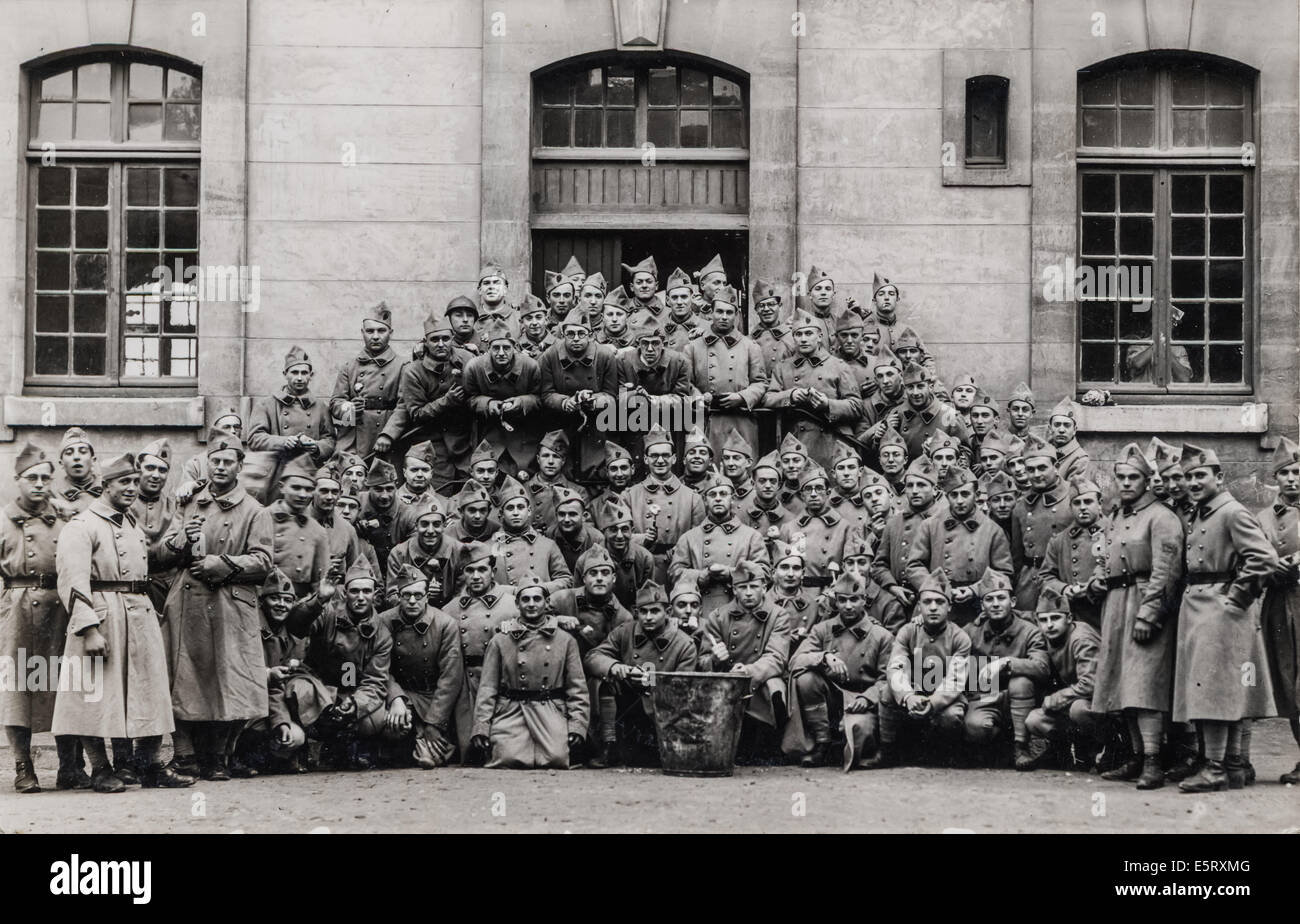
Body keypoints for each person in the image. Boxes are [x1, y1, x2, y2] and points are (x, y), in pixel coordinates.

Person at [52, 453, 194, 792]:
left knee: (150, 691)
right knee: (94, 695)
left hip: (139, 613)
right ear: (106, 485)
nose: (132, 487)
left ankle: (149, 765)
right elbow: (72, 580)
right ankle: (101, 769)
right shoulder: (82, 525)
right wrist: (88, 629)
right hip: (103, 615)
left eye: (134, 481)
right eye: (124, 482)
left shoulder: (129, 523)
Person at [158, 430, 275, 780]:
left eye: (228, 462)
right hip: (188, 603)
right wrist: (182, 540)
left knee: (229, 680)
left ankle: (218, 757)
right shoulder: (188, 502)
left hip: (229, 605)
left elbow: (264, 561)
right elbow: (163, 550)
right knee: (183, 678)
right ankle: (185, 756)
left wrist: (222, 564)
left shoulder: (255, 510)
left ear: (240, 467)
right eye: (215, 461)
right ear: (206, 464)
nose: (221, 467)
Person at [1172, 443, 1278, 794]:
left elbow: (1263, 558)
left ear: (1219, 477)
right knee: (1220, 689)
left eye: (1200, 475)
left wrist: (1236, 599)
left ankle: (1214, 768)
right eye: (1188, 476)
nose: (1193, 482)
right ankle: (1232, 766)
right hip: (1202, 608)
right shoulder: (1203, 512)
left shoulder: (1230, 512)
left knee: (1214, 691)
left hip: (1220, 609)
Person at [1089, 443, 1184, 790]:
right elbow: (1106, 556)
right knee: (1121, 682)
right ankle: (1134, 756)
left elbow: (1167, 570)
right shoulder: (1116, 516)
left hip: (1144, 601)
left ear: (1147, 481)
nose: (1127, 483)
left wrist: (1150, 613)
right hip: (1116, 602)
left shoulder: (1162, 517)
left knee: (1145, 684)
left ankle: (1154, 762)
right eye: (1122, 477)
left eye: (1134, 478)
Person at [2, 443, 85, 793]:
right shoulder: (3, 521)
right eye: (31, 478)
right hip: (18, 612)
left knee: (69, 684)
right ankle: (24, 766)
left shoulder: (66, 517)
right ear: (18, 480)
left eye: (45, 478)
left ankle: (71, 765)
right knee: (18, 687)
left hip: (61, 608)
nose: (39, 484)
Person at [470, 572, 590, 770]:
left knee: (556, 758)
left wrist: (577, 725)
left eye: (537, 598)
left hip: (550, 709)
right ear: (517, 604)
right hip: (512, 711)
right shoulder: (500, 640)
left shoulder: (565, 640)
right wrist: (482, 727)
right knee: (507, 758)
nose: (531, 604)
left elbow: (577, 688)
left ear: (547, 602)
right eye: (525, 599)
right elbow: (487, 689)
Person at [281, 562, 393, 769]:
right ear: (345, 593)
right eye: (355, 591)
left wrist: (356, 703)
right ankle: (302, 747)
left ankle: (345, 746)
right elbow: (296, 626)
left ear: (375, 595)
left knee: (375, 719)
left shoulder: (382, 634)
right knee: (299, 691)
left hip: (350, 689)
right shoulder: (328, 613)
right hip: (317, 683)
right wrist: (320, 598)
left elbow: (375, 681)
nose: (360, 597)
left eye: (366, 591)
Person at [782, 570, 894, 770]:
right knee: (805, 678)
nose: (848, 606)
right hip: (830, 696)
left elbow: (888, 679)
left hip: (861, 699)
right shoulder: (823, 629)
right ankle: (822, 742)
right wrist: (823, 656)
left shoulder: (881, 636)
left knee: (859, 734)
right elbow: (795, 661)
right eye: (842, 600)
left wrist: (867, 698)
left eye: (854, 600)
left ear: (864, 600)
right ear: (836, 602)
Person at [586, 580, 697, 767]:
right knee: (601, 680)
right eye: (643, 612)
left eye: (655, 611)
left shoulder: (684, 644)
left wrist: (651, 681)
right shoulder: (624, 632)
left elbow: (683, 689)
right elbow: (593, 656)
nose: (648, 617)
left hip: (662, 710)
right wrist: (616, 667)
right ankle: (609, 744)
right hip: (627, 706)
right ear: (636, 613)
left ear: (668, 612)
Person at [873, 568, 970, 768]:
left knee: (952, 716)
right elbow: (896, 668)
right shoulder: (908, 631)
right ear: (919, 606)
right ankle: (888, 751)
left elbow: (955, 680)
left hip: (944, 696)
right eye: (927, 602)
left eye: (940, 602)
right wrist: (908, 696)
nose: (933, 607)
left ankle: (943, 752)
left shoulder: (960, 638)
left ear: (949, 606)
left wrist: (932, 702)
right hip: (914, 692)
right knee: (888, 692)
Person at [697, 561, 792, 763]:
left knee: (775, 687)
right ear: (734, 589)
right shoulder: (718, 616)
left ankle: (770, 746)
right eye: (742, 587)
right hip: (727, 680)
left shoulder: (779, 616)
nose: (748, 593)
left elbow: (776, 657)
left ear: (764, 587)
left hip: (760, 678)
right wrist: (715, 659)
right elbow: (702, 661)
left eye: (754, 586)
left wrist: (748, 671)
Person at [961, 568, 1050, 767]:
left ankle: (1021, 747)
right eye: (989, 600)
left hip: (1021, 701)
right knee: (975, 727)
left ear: (1013, 602)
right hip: (985, 697)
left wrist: (1007, 663)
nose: (995, 604)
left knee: (1021, 681)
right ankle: (995, 749)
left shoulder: (1030, 632)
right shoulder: (971, 631)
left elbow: (1042, 667)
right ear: (982, 606)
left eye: (1001, 598)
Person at [904, 466, 1012, 627]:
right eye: (954, 495)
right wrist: (938, 588)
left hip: (977, 607)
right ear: (947, 496)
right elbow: (914, 566)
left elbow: (1004, 573)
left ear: (976, 495)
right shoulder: (930, 525)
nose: (960, 501)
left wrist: (974, 590)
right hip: (938, 603)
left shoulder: (993, 529)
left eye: (965, 494)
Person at [380, 565, 464, 769]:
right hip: (402, 692)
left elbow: (450, 677)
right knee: (394, 725)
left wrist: (434, 723)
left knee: (436, 747)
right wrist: (396, 698)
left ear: (427, 596)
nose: (411, 601)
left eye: (418, 595)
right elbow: (380, 667)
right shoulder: (384, 621)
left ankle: (424, 745)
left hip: (433, 696)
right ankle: (413, 746)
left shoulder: (445, 624)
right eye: (406, 595)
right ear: (398, 596)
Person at [762, 308, 863, 471]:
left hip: (830, 443)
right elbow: (767, 398)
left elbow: (856, 406)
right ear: (793, 337)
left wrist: (828, 404)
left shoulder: (838, 365)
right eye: (799, 334)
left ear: (819, 336)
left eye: (809, 333)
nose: (803, 339)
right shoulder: (783, 367)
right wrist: (791, 395)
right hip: (795, 446)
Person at [446, 541, 519, 760]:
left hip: (501, 684)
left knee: (502, 751)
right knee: (470, 752)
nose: (476, 576)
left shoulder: (513, 605)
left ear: (492, 571)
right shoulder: (450, 609)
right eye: (470, 570)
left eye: (482, 569)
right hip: (465, 687)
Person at [1023, 586, 1103, 771]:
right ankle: (1065, 755)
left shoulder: (1081, 639)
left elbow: (1090, 684)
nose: (1049, 625)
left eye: (1055, 618)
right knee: (1034, 720)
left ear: (1069, 618)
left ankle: (1105, 749)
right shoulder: (1050, 635)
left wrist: (1055, 699)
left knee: (1079, 710)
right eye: (1043, 620)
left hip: (1103, 704)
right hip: (1076, 697)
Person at [1258, 437, 1300, 783]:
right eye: (1285, 473)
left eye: (1298, 472)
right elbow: (1253, 556)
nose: (1292, 479)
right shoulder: (1262, 518)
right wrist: (1272, 568)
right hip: (1277, 604)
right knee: (1287, 680)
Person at [670, 472, 771, 616]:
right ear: (705, 500)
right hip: (699, 611)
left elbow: (765, 573)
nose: (718, 499)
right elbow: (674, 574)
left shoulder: (752, 536)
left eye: (723, 494)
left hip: (739, 610)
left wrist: (732, 573)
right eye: (712, 495)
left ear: (733, 499)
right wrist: (699, 576)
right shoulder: (689, 538)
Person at [683, 295, 768, 458]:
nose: (724, 317)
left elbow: (760, 383)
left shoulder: (750, 346)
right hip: (707, 419)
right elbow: (685, 382)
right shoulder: (693, 347)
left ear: (736, 315)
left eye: (729, 312)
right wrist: (699, 397)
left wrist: (742, 397)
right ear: (711, 314)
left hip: (741, 419)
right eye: (719, 311)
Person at [538, 308, 619, 478]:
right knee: (563, 471)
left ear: (590, 335)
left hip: (595, 422)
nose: (575, 339)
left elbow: (611, 395)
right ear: (563, 334)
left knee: (594, 472)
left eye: (581, 334)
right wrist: (565, 402)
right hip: (560, 422)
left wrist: (593, 400)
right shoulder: (550, 356)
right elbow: (546, 393)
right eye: (570, 334)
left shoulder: (604, 356)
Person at [246, 345, 336, 495]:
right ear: (285, 374)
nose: (299, 378)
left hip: (310, 472)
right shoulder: (266, 405)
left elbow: (330, 440)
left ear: (310, 375)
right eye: (294, 372)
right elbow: (254, 439)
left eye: (304, 373)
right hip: (277, 472)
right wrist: (282, 441)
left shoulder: (320, 407)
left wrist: (316, 447)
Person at [399, 307, 473, 487]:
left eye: (445, 339)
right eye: (434, 339)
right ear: (425, 342)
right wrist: (446, 401)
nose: (440, 344)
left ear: (453, 339)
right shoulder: (412, 371)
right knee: (439, 490)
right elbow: (416, 413)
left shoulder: (468, 359)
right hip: (430, 442)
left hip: (464, 441)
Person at [624, 426, 705, 584]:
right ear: (646, 459)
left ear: (674, 459)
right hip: (639, 566)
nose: (660, 461)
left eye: (665, 455)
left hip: (677, 568)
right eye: (654, 455)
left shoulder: (692, 498)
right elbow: (620, 537)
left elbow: (700, 539)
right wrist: (642, 539)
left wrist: (678, 552)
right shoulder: (629, 496)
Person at [465, 319, 544, 473]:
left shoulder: (530, 366)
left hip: (522, 430)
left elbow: (540, 397)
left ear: (514, 348)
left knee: (522, 472)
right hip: (488, 429)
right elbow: (468, 398)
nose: (501, 353)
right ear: (488, 348)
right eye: (496, 348)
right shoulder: (475, 367)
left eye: (506, 348)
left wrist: (521, 402)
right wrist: (488, 404)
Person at [330, 301, 408, 459]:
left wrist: (388, 434)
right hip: (355, 436)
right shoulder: (349, 366)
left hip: (386, 435)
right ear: (362, 333)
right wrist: (350, 409)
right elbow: (335, 402)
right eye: (370, 331)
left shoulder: (403, 366)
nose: (376, 336)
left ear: (390, 333)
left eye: (381, 331)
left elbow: (404, 406)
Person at [1010, 434, 1075, 610]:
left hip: (1064, 579)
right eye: (1030, 469)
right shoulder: (1021, 505)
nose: (1036, 474)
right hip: (1030, 580)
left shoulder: (1075, 496)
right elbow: (1016, 555)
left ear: (1055, 467)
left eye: (1042, 468)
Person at [871, 455, 941, 612]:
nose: (914, 491)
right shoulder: (894, 522)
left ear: (935, 490)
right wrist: (893, 588)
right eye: (910, 486)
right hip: (897, 601)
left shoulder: (943, 521)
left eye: (921, 485)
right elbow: (879, 565)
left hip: (933, 602)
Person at [1040, 476, 1107, 631]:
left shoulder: (1114, 532)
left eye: (1088, 502)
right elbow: (1045, 577)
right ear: (1070, 507)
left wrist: (1091, 587)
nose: (1082, 507)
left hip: (1104, 611)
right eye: (1077, 503)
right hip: (1072, 614)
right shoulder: (1059, 540)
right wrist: (1064, 589)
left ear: (1100, 504)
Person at [490, 478, 573, 595]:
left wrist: (541, 589)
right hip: (505, 609)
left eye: (520, 507)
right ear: (501, 514)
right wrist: (513, 591)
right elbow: (483, 584)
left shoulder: (547, 545)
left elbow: (566, 579)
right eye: (510, 508)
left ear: (529, 511)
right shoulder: (489, 547)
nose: (515, 512)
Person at [777, 466, 854, 589]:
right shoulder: (788, 528)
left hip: (833, 593)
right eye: (808, 489)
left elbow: (851, 568)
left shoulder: (844, 527)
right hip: (800, 594)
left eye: (819, 489)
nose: (813, 494)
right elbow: (780, 570)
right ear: (802, 495)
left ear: (828, 493)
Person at [267, 455, 332, 596]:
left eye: (308, 490)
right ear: (282, 487)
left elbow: (320, 583)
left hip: (297, 604)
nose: (303, 495)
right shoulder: (262, 518)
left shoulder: (317, 531)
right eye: (296, 488)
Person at [896, 362, 970, 461]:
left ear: (930, 387)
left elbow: (966, 451)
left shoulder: (950, 416)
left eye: (920, 386)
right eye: (910, 387)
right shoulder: (897, 414)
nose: (915, 392)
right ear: (905, 389)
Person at [599, 502, 655, 609]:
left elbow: (648, 599)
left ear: (632, 531)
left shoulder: (644, 558)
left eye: (624, 529)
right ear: (604, 532)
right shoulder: (590, 558)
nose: (619, 536)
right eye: (613, 530)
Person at [51, 426, 101, 514]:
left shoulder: (108, 490)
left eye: (83, 452)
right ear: (61, 463)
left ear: (93, 460)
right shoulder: (52, 494)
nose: (76, 457)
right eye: (69, 453)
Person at [749, 278, 792, 374]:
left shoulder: (791, 338)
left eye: (771, 304)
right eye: (761, 306)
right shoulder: (748, 340)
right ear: (756, 310)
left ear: (780, 306)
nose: (766, 309)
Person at [1046, 398, 1092, 482]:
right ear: (1049, 429)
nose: (1061, 430)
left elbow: (1074, 491)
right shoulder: (1043, 451)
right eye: (1057, 425)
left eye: (1067, 425)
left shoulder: (1080, 459)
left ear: (1074, 430)